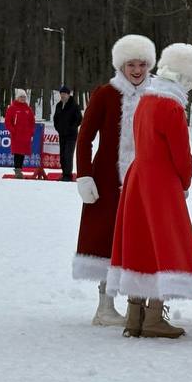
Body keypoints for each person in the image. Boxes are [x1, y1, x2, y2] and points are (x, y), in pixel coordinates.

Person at [107, 42, 192, 339]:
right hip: (162, 182)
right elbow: (181, 153)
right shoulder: (171, 105)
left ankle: (134, 316)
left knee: (139, 242)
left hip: (138, 178)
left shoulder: (146, 100)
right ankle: (154, 317)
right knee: (162, 245)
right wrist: (185, 181)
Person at [73, 35, 156, 326]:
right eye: (131, 64)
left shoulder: (156, 94)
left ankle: (140, 304)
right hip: (107, 180)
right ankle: (105, 306)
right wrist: (84, 175)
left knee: (141, 239)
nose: (136, 69)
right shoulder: (105, 93)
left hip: (145, 180)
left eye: (142, 64)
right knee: (106, 238)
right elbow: (84, 138)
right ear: (121, 65)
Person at [52, 85, 82, 182]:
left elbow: (79, 119)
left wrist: (71, 128)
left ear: (69, 95)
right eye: (61, 94)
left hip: (71, 135)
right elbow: (55, 118)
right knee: (62, 155)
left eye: (64, 94)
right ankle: (64, 172)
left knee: (68, 154)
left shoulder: (74, 105)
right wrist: (58, 128)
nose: (63, 96)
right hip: (62, 134)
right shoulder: (58, 105)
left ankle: (68, 175)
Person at [4, 89, 36, 178]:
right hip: (16, 135)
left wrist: (31, 132)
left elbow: (32, 122)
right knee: (17, 153)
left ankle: (19, 169)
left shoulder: (28, 109)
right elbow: (7, 122)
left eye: (24, 97)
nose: (23, 99)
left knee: (22, 153)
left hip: (25, 135)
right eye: (21, 97)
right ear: (17, 98)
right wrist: (13, 131)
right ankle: (17, 170)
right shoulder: (12, 108)